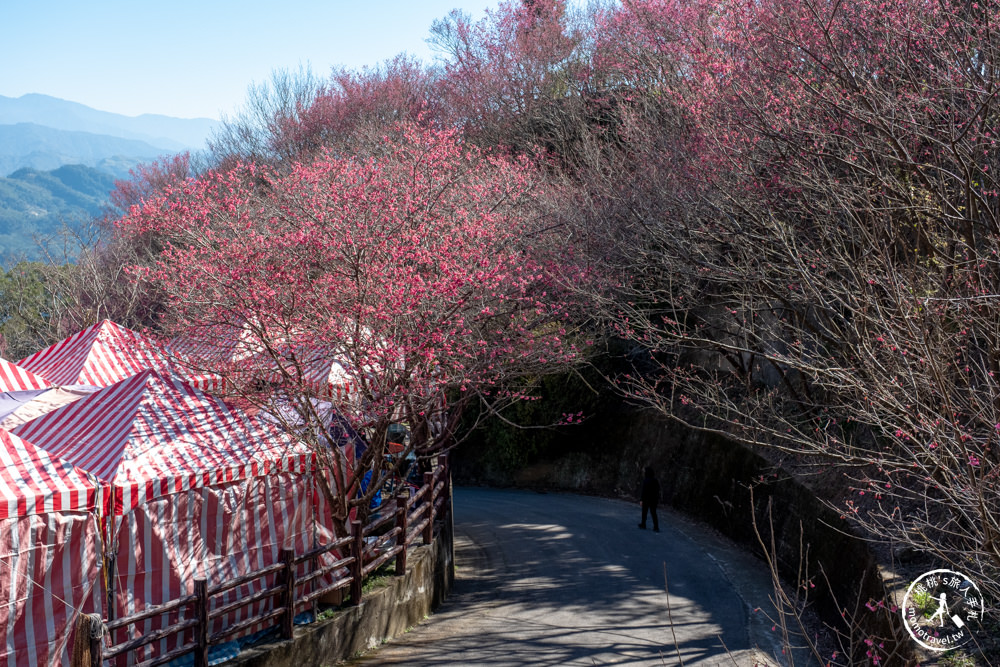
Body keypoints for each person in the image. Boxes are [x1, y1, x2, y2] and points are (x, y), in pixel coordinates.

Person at [638, 466, 660, 532]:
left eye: (644, 471)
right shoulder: (655, 480)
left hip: (646, 499)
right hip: (653, 499)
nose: (644, 472)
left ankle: (643, 524)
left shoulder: (646, 480)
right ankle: (656, 527)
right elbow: (657, 490)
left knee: (644, 512)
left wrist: (641, 500)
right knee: (653, 513)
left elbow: (644, 491)